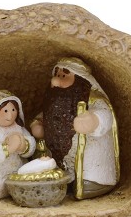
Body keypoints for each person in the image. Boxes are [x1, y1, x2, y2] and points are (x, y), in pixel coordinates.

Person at [30, 57, 120, 199]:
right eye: (56, 75)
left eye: (64, 76)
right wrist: (38, 124)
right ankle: (64, 181)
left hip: (89, 162)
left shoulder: (93, 99)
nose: (55, 81)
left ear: (79, 80)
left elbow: (105, 115)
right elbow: (47, 114)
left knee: (87, 174)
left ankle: (93, 182)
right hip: (60, 157)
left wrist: (93, 121)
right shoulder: (54, 100)